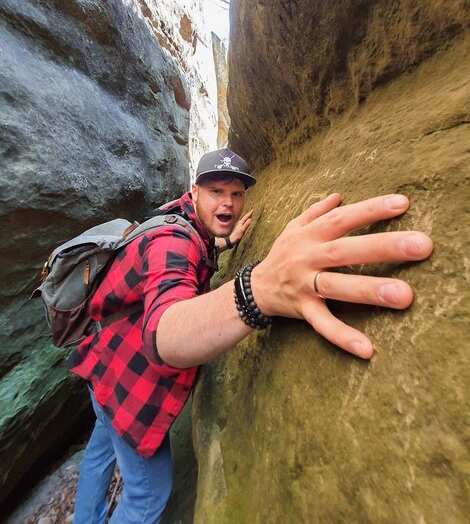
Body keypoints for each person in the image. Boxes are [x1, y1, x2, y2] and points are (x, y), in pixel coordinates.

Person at [70, 148, 433, 523]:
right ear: (194, 191)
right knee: (148, 497)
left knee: (99, 454)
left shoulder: (180, 216)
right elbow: (166, 331)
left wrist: (227, 241)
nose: (228, 203)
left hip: (104, 368)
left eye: (237, 193)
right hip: (129, 383)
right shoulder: (172, 241)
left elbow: (195, 247)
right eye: (216, 192)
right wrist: (257, 289)